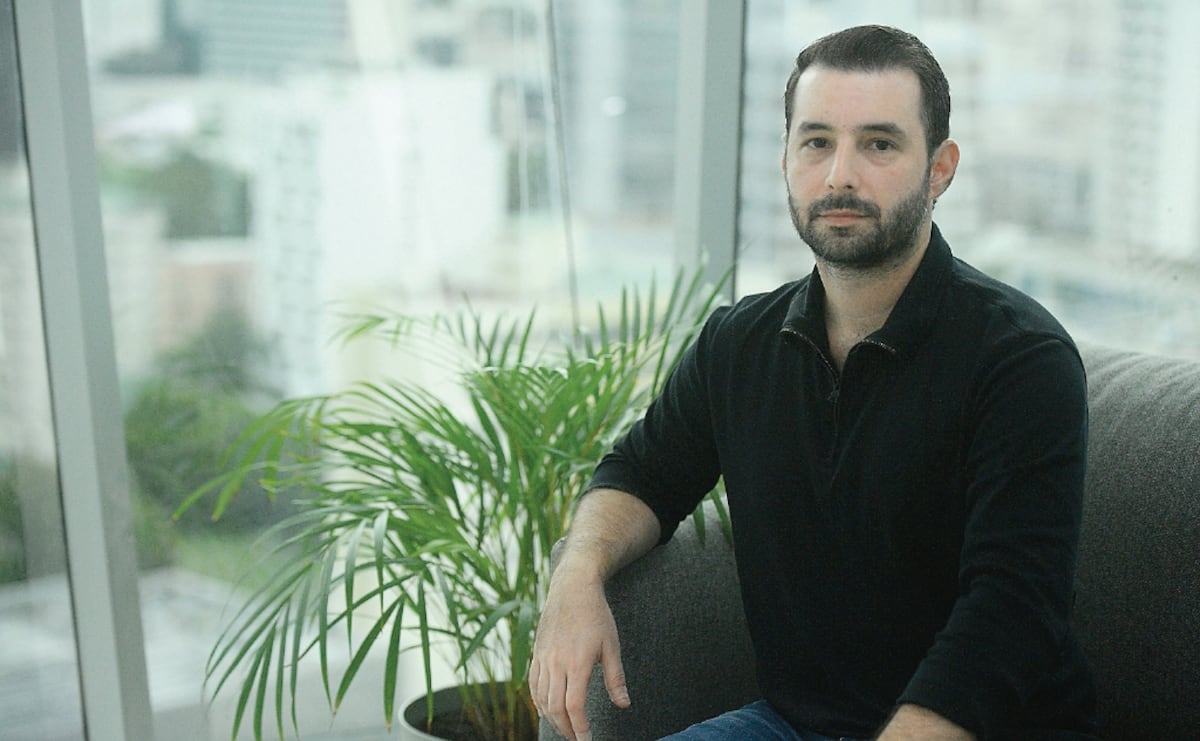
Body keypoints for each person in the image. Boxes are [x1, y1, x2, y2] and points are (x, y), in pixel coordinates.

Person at [529, 24, 1099, 741]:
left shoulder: (1021, 359)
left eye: (879, 144)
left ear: (941, 169)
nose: (839, 177)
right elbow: (641, 473)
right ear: (786, 160)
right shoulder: (739, 343)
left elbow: (1012, 610)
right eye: (817, 142)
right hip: (791, 725)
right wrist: (577, 575)